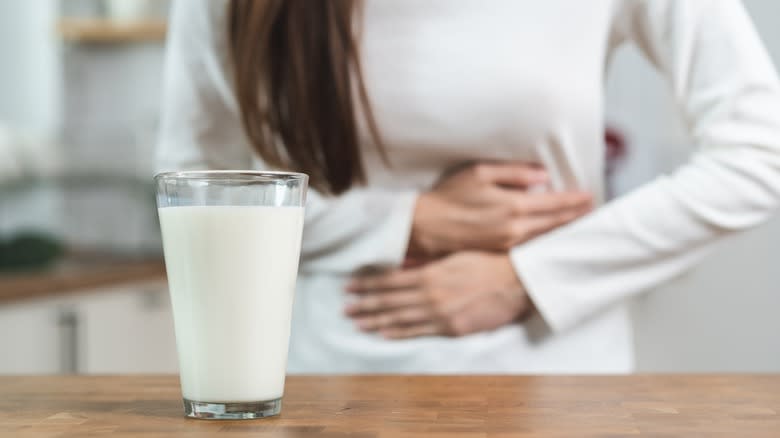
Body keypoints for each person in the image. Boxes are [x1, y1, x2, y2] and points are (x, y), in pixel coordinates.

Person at [157, 0, 780, 373]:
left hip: (556, 385)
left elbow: (760, 151)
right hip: (323, 385)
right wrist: (408, 221)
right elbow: (189, 189)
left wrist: (527, 279)